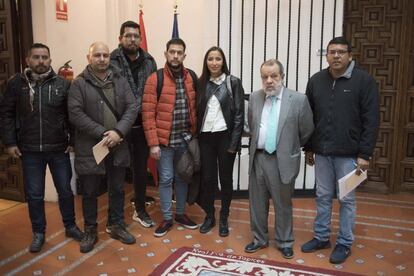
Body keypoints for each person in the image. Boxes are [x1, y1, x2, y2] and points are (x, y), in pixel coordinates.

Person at [301, 37, 379, 264]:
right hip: (323, 153)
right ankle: (322, 236)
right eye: (332, 52)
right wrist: (309, 147)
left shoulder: (364, 81)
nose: (336, 56)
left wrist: (365, 154)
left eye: (341, 52)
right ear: (326, 55)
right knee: (323, 196)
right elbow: (309, 118)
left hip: (350, 156)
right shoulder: (316, 81)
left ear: (350, 55)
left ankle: (344, 242)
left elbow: (371, 120)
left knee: (347, 200)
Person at [0, 43, 83, 253]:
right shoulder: (16, 84)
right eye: (36, 57)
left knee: (65, 191)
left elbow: (72, 116)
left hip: (58, 149)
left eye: (44, 57)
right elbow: (6, 114)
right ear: (28, 60)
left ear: (50, 60)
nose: (40, 61)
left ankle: (70, 226)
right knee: (35, 194)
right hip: (29, 151)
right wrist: (9, 142)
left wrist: (72, 141)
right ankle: (38, 232)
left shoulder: (62, 85)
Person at [68, 42, 138, 253]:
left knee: (117, 188)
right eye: (97, 55)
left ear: (110, 57)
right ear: (89, 57)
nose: (101, 58)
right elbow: (75, 114)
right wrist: (102, 132)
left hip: (118, 144)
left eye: (105, 55)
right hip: (91, 146)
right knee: (89, 191)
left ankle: (116, 224)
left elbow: (132, 106)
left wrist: (118, 132)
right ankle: (90, 229)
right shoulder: (79, 84)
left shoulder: (120, 80)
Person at [244, 59, 314, 259]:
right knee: (256, 203)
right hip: (258, 158)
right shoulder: (256, 98)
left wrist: (288, 147)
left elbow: (307, 130)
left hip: (281, 160)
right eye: (265, 76)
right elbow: (252, 125)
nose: (269, 81)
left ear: (282, 77)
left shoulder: (298, 100)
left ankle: (284, 241)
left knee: (282, 203)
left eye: (274, 76)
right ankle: (259, 239)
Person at [142, 38, 198, 237]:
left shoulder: (191, 76)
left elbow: (196, 109)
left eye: (179, 52)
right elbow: (148, 113)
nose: (175, 55)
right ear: (165, 54)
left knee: (182, 178)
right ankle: (166, 218)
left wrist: (195, 136)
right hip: (164, 142)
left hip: (185, 141)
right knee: (166, 180)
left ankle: (181, 214)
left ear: (184, 55)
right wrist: (153, 144)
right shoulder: (154, 79)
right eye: (172, 52)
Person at [110, 21, 157, 228]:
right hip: (119, 126)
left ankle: (140, 209)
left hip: (142, 126)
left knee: (140, 170)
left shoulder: (149, 61)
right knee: (117, 172)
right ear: (120, 38)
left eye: (136, 36)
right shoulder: (111, 60)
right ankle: (115, 218)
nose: (132, 39)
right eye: (128, 36)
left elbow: (154, 91)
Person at [196, 46, 244, 237]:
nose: (214, 63)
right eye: (210, 59)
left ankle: (224, 217)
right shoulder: (200, 83)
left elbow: (239, 115)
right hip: (206, 138)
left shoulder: (233, 82)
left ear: (223, 61)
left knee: (225, 180)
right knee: (208, 179)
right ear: (206, 62)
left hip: (225, 138)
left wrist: (234, 143)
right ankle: (210, 215)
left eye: (218, 59)